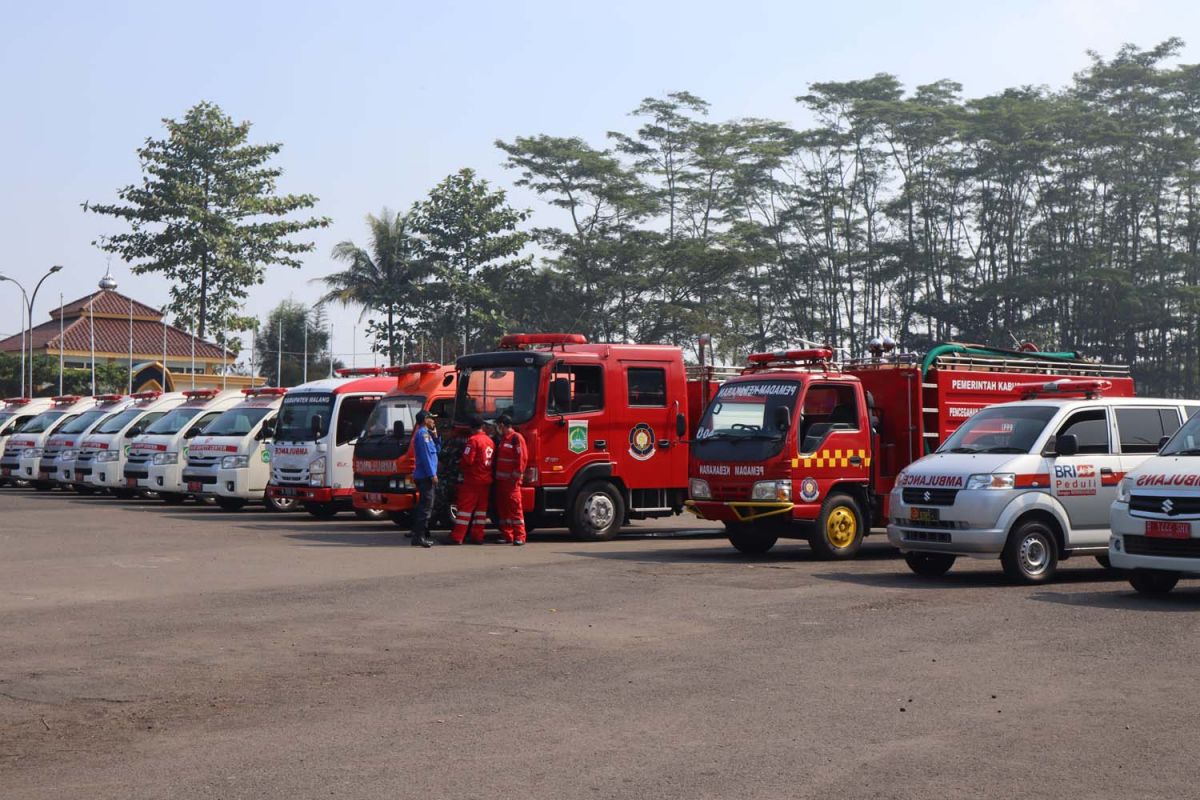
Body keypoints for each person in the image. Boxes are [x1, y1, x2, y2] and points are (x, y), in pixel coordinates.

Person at [449, 414, 494, 544]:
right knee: (481, 512)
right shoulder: (489, 441)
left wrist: (460, 465)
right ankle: (478, 536)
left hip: (472, 480)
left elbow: (467, 460)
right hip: (486, 480)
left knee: (465, 511)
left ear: (471, 427)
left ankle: (458, 537)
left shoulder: (473, 440)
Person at [493, 413, 528, 545]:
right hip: (502, 482)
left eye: (498, 425)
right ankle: (508, 535)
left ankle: (520, 536)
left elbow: (522, 458)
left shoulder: (516, 438)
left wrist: (517, 474)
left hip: (511, 482)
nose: (497, 428)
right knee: (504, 510)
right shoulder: (504, 439)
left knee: (515, 509)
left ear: (502, 425)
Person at [409, 410, 439, 548]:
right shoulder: (423, 434)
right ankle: (419, 536)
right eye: (431, 418)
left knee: (425, 506)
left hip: (424, 475)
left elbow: (436, 451)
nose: (433, 421)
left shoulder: (428, 434)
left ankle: (419, 535)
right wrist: (432, 474)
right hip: (425, 476)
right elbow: (427, 456)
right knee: (426, 507)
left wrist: (436, 436)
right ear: (425, 420)